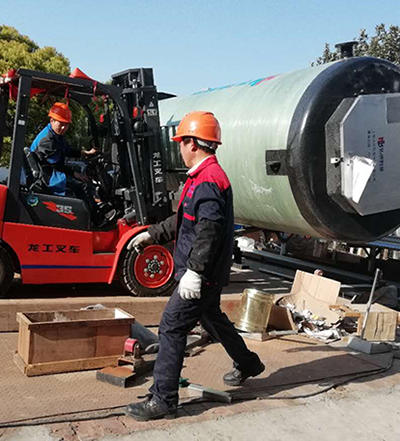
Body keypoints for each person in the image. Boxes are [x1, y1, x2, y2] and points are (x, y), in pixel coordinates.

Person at [125, 111, 265, 421]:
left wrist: (196, 272)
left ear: (192, 143)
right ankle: (248, 364)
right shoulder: (203, 177)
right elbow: (184, 220)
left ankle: (163, 400)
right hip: (204, 273)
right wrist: (153, 233)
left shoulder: (208, 182)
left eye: (181, 142)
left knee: (172, 326)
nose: (179, 148)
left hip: (203, 274)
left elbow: (209, 232)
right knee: (212, 317)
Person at [31, 102, 113, 224]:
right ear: (52, 120)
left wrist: (86, 153)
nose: (64, 128)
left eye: (66, 125)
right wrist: (76, 174)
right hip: (48, 176)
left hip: (50, 171)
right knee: (83, 185)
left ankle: (94, 211)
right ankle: (97, 219)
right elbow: (57, 165)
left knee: (84, 181)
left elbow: (68, 151)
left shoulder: (56, 135)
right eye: (61, 124)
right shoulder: (47, 140)